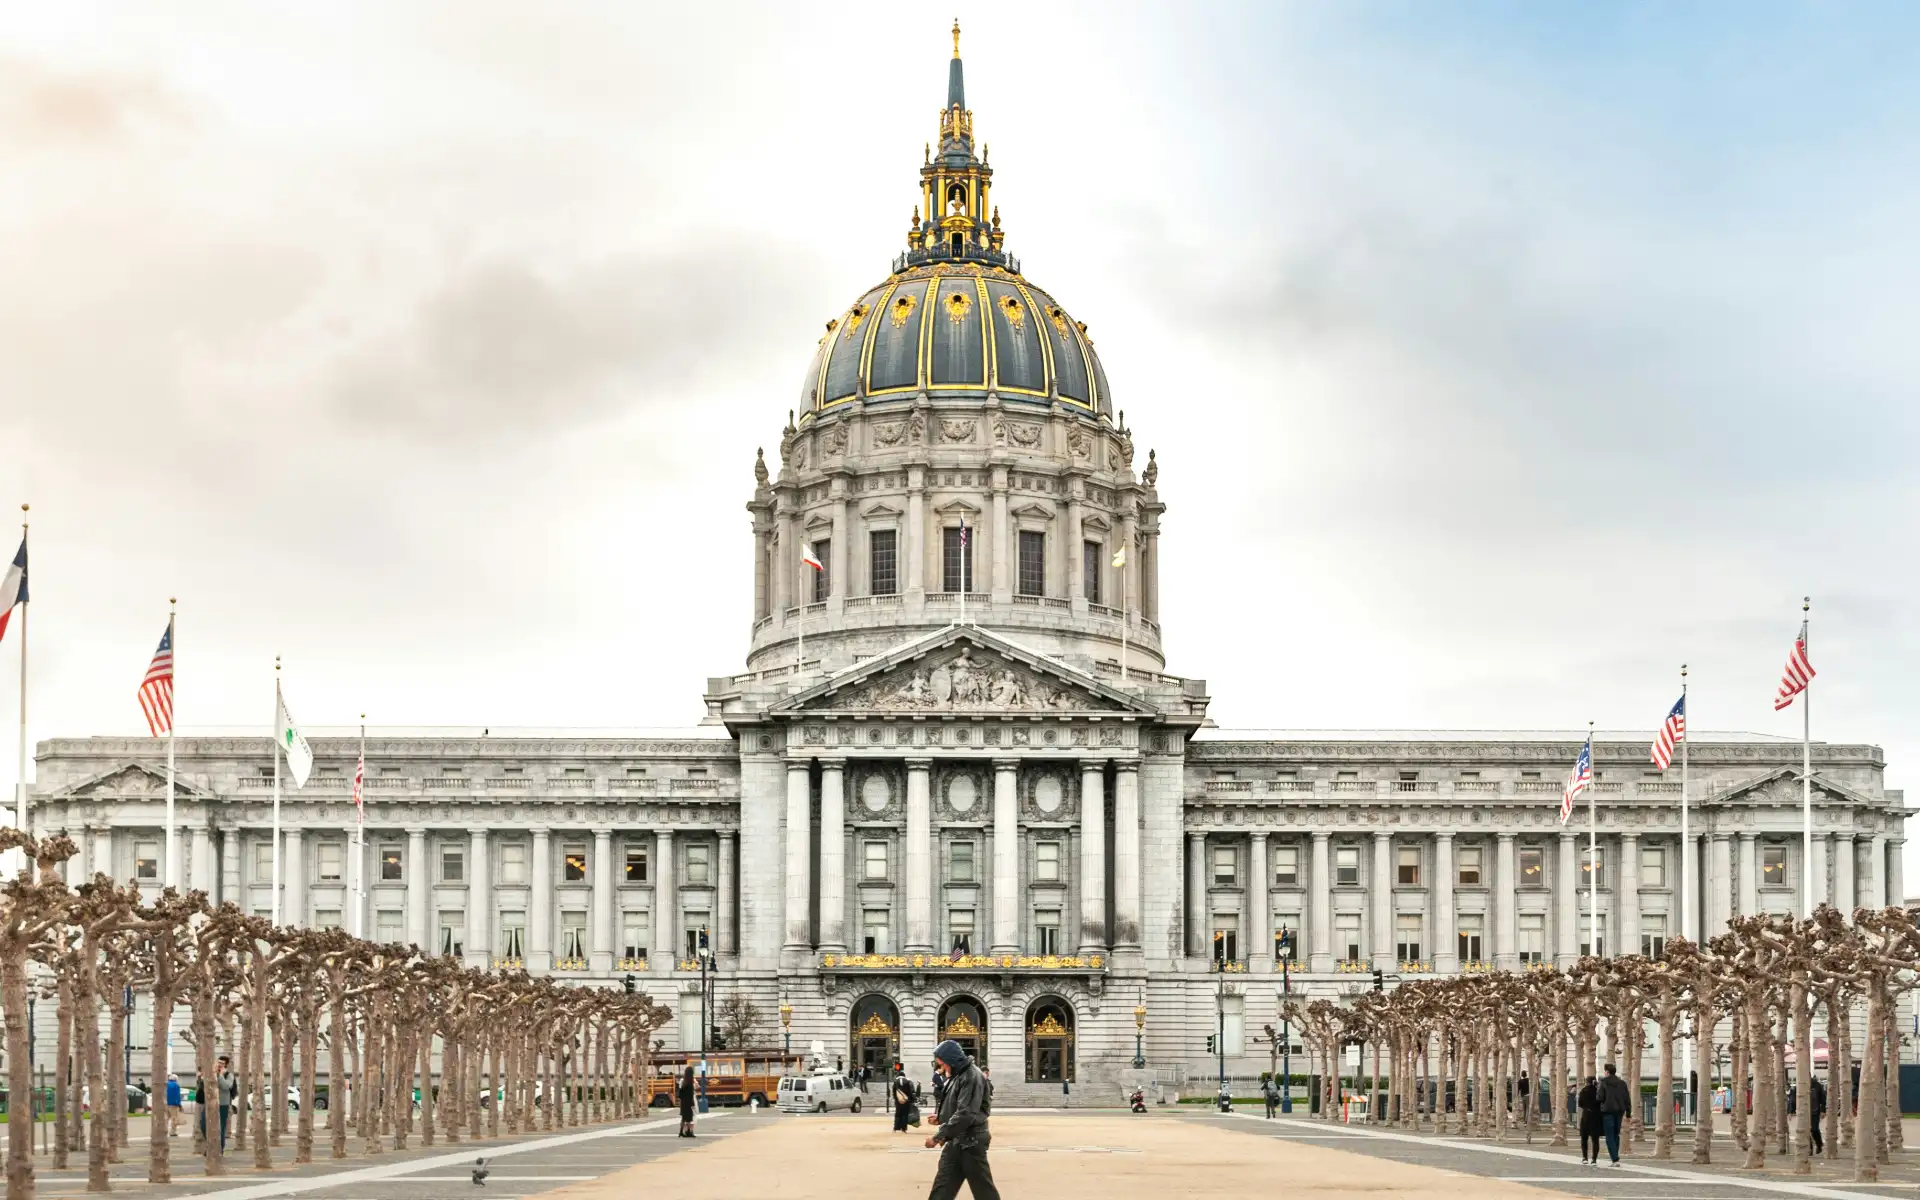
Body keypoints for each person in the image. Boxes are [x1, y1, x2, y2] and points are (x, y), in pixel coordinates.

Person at [923, 1039, 999, 1200]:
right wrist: (941, 1117)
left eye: (942, 1064)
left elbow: (966, 1113)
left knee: (984, 1191)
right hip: (958, 1141)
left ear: (951, 1060)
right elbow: (958, 1107)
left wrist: (938, 1136)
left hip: (972, 1141)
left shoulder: (971, 1076)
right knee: (942, 1189)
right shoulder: (959, 1075)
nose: (941, 1069)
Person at [1597, 1063, 1632, 1165]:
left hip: (1607, 1111)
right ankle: (1615, 1157)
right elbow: (1627, 1099)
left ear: (1607, 1072)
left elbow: (1600, 1098)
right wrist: (1628, 1113)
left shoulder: (1603, 1082)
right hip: (1620, 1111)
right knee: (1616, 1134)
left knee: (1609, 1135)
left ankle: (1615, 1159)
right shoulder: (1622, 1083)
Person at [1577, 1074, 1602, 1165]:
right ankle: (1594, 1159)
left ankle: (1585, 1157)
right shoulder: (1598, 1091)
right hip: (1596, 1116)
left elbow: (1580, 1104)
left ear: (1586, 1082)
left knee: (1584, 1138)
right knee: (1595, 1139)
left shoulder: (1583, 1091)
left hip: (1586, 1115)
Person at [677, 1065, 697, 1138]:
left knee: (683, 1118)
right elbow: (691, 1094)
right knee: (689, 1118)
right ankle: (689, 1132)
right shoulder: (690, 1082)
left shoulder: (684, 1082)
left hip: (683, 1102)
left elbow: (680, 1093)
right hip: (688, 1103)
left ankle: (681, 1132)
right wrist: (692, 1103)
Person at [1810, 1077, 1827, 1153]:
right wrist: (1790, 1111)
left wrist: (1823, 1111)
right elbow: (1793, 1099)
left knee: (1814, 1129)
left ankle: (1819, 1144)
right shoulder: (1799, 1085)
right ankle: (1809, 1148)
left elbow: (1823, 1098)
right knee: (1805, 1131)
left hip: (1815, 1111)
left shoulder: (1817, 1085)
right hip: (1803, 1112)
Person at [165, 1073, 182, 1138]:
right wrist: (179, 1104)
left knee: (166, 1118)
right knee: (174, 1118)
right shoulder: (176, 1085)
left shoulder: (166, 1084)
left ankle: (164, 1130)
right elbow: (177, 1096)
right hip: (174, 1104)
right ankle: (173, 1132)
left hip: (166, 1103)